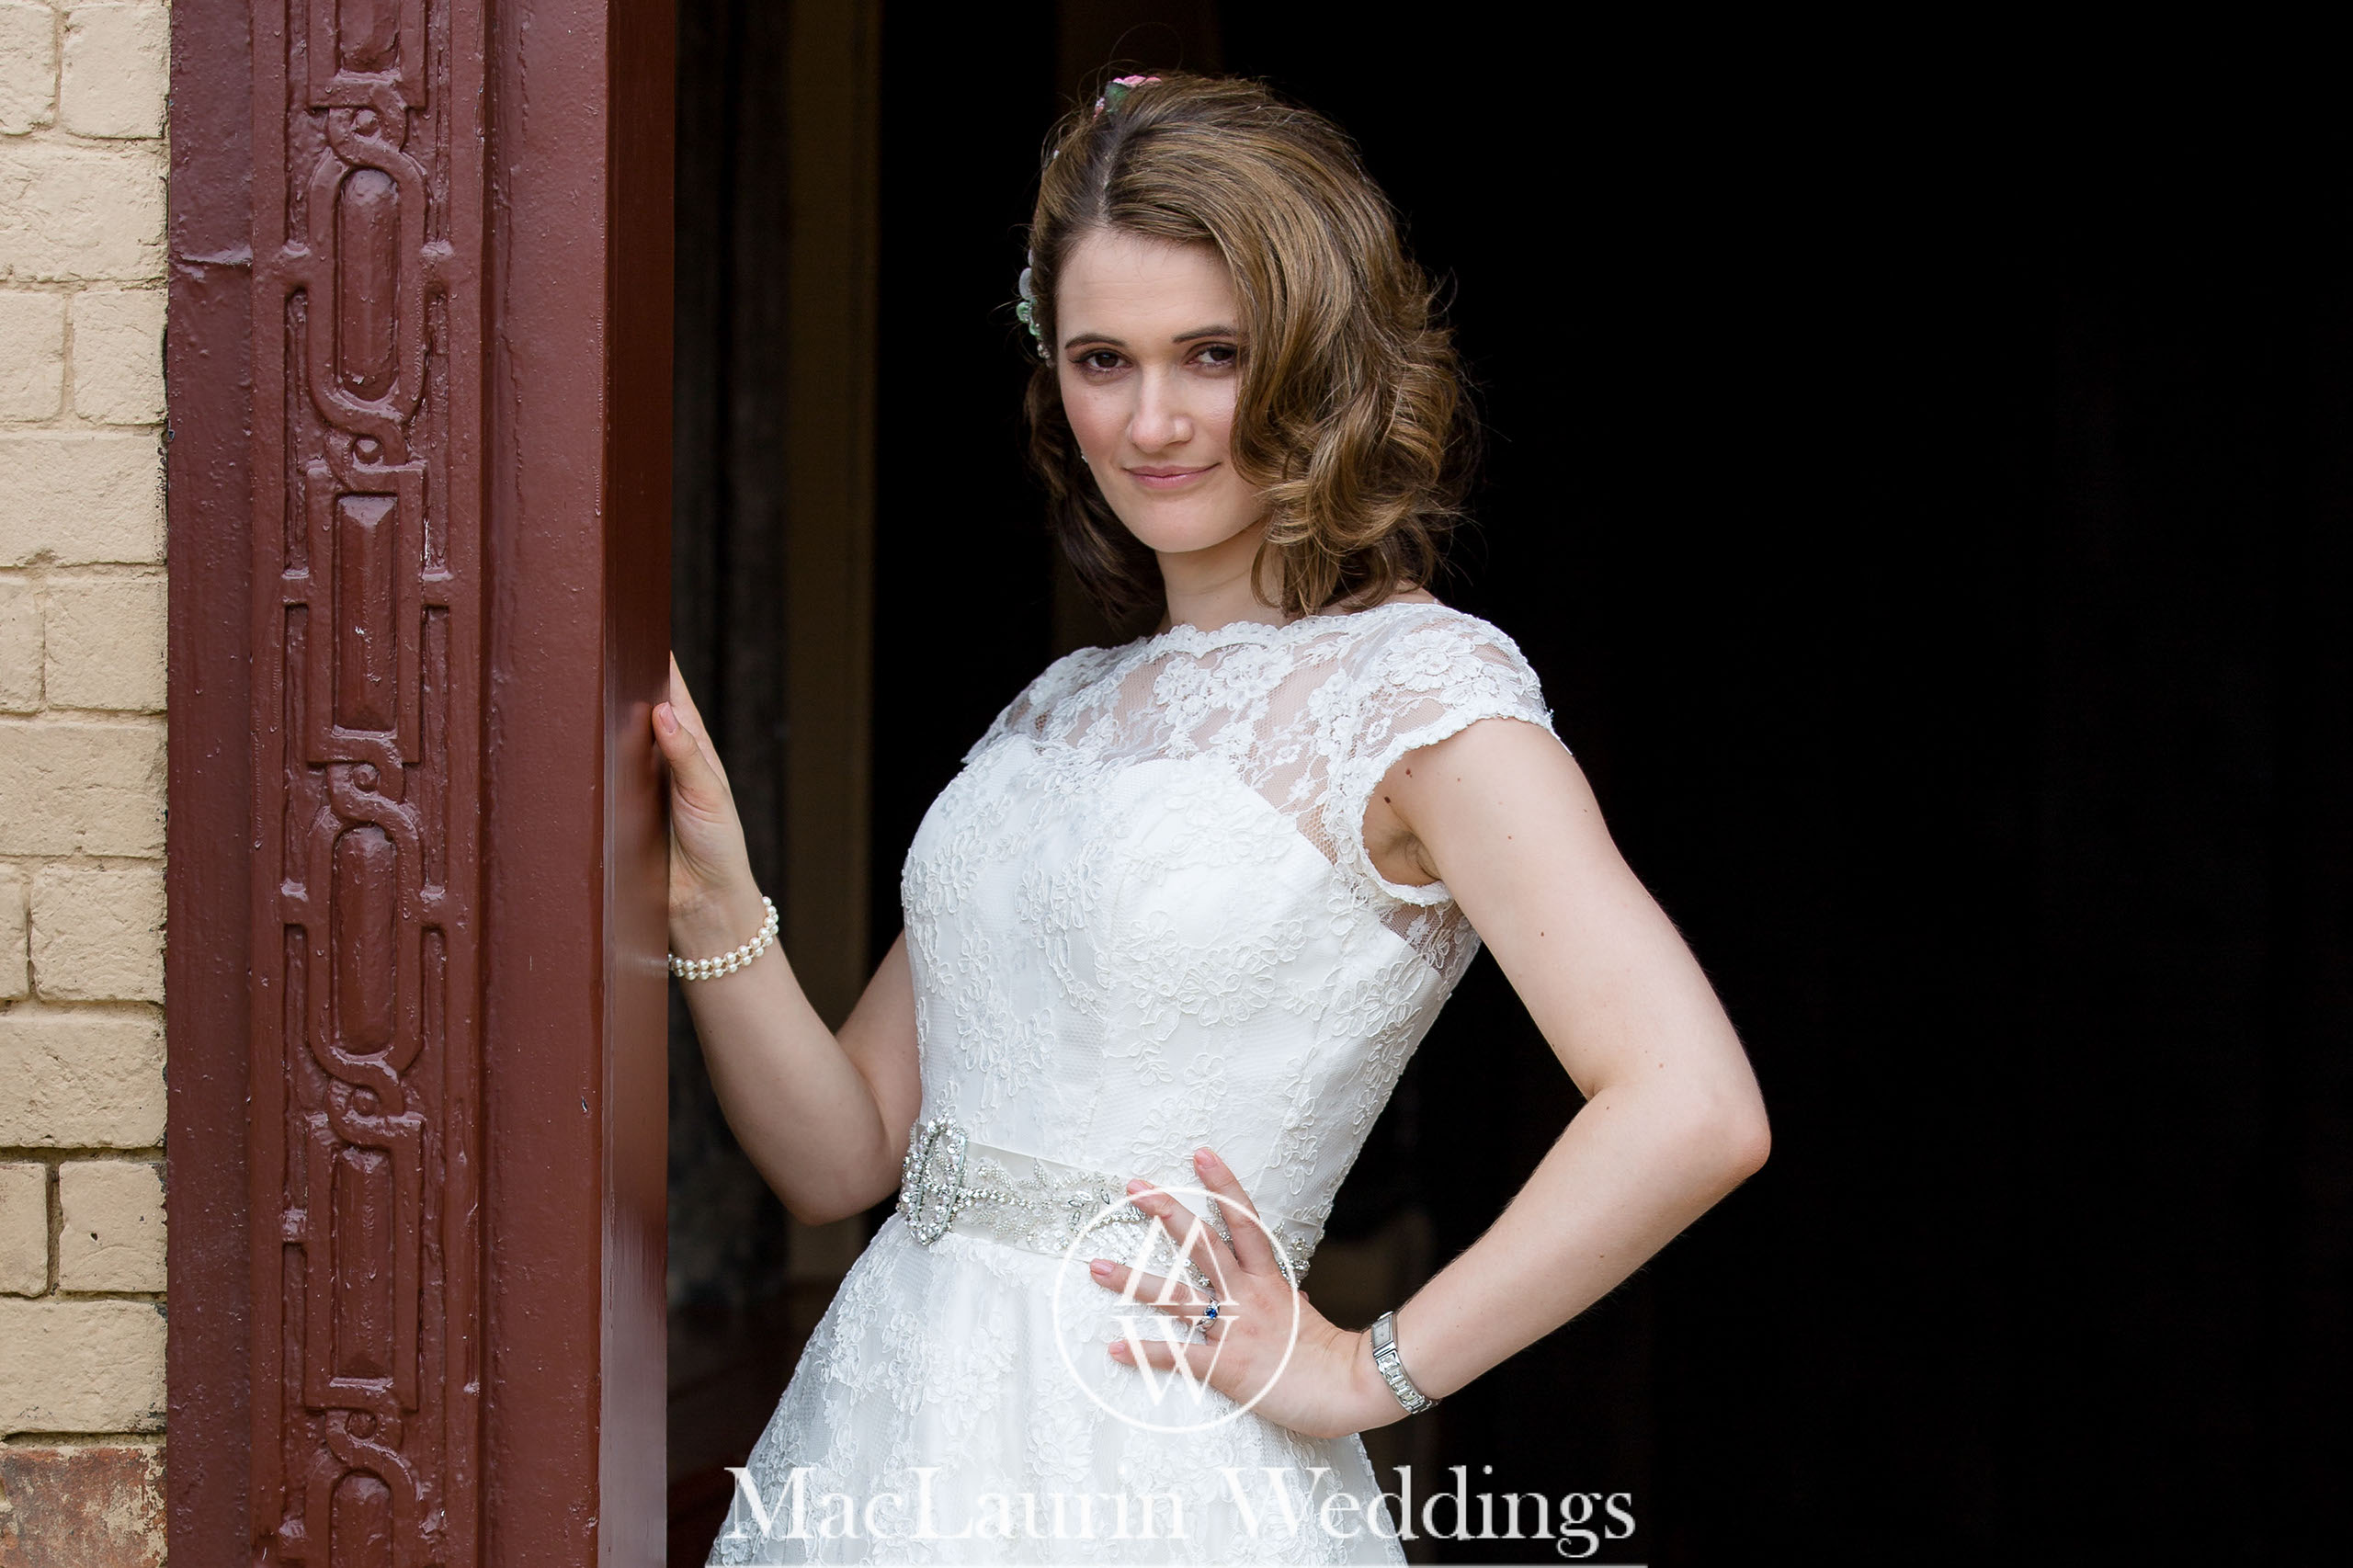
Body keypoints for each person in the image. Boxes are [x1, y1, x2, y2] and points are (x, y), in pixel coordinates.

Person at [662, 73, 1769, 1566]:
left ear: (1317, 357)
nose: (1153, 418)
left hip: (1159, 1466)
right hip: (886, 1439)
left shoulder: (1422, 697)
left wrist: (1361, 1367)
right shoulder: (1054, 711)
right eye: (1102, 359)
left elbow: (1692, 1103)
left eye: (1213, 355)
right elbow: (844, 1154)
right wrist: (716, 910)